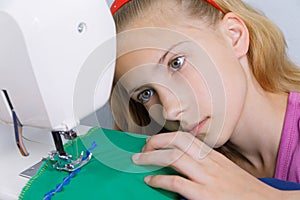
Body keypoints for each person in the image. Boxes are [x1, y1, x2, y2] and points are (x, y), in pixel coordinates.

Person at [109, 0, 300, 199]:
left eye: (176, 63)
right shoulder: (184, 170)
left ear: (234, 36)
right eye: (146, 94)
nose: (169, 110)